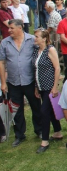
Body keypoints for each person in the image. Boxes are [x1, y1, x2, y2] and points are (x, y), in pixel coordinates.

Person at [0, 19, 42, 147]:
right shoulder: (5, 43)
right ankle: (19, 135)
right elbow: (1, 62)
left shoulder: (31, 40)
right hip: (13, 82)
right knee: (16, 109)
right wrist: (3, 82)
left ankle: (39, 130)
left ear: (20, 28)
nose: (9, 30)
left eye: (12, 28)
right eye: (9, 28)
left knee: (36, 106)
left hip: (29, 80)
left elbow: (41, 52)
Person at [32, 29, 62, 153]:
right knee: (50, 111)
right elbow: (36, 70)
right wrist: (36, 87)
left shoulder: (50, 50)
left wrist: (55, 87)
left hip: (49, 87)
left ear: (44, 38)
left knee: (44, 112)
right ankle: (58, 132)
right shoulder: (36, 51)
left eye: (37, 36)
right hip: (41, 86)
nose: (35, 38)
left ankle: (45, 141)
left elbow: (57, 68)